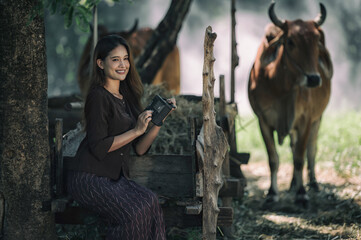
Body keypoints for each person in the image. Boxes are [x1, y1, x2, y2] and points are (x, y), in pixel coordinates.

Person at [66, 34, 175, 240]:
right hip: (89, 178)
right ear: (100, 63)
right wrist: (135, 130)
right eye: (115, 59)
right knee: (133, 214)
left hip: (113, 178)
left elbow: (140, 149)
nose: (123, 64)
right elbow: (98, 147)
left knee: (151, 201)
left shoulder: (128, 97)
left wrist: (159, 120)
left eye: (125, 59)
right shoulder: (98, 96)